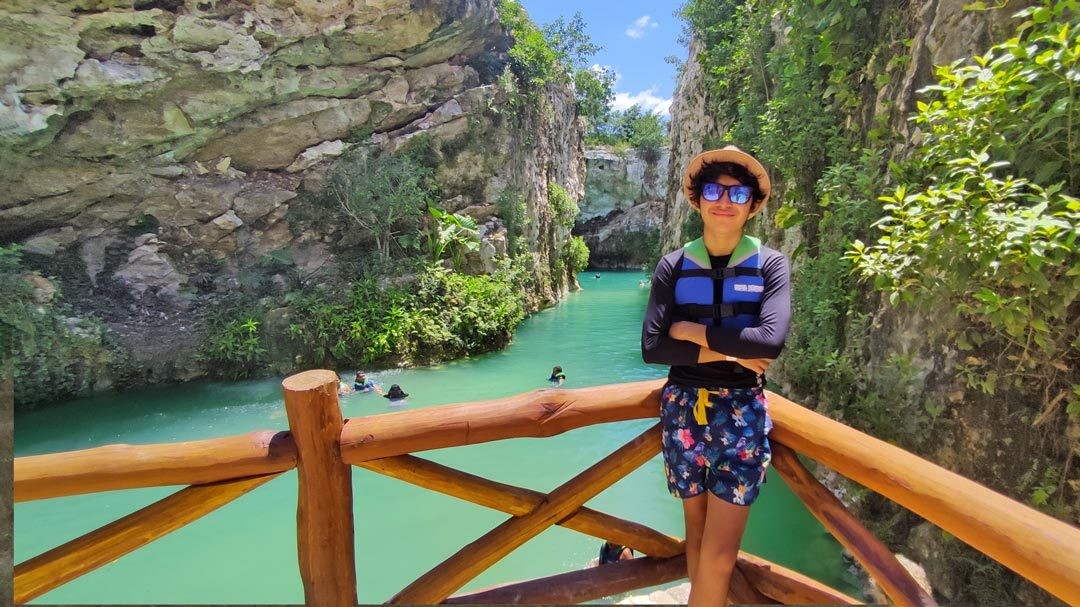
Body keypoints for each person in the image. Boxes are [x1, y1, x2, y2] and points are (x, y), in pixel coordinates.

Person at [641, 145, 790, 607]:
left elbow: (768, 343)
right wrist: (727, 350)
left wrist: (690, 331)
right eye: (713, 189)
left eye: (737, 192)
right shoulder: (673, 264)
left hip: (742, 413)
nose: (724, 200)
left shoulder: (770, 265)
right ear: (697, 199)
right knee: (698, 535)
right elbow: (653, 348)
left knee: (722, 552)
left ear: (753, 203)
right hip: (684, 408)